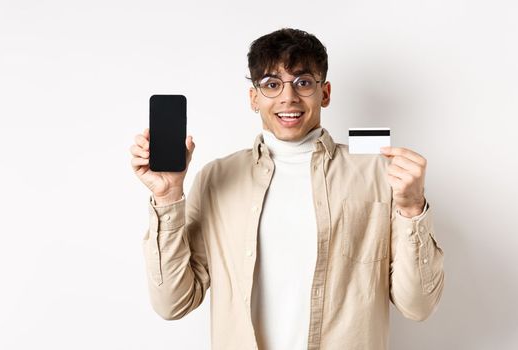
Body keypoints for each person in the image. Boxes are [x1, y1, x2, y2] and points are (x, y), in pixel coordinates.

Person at [129, 28, 444, 350]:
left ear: (325, 93)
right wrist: (167, 197)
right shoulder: (217, 177)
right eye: (271, 84)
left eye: (303, 82)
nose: (288, 97)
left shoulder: (379, 173)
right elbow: (173, 303)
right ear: (254, 98)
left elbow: (418, 306)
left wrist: (412, 208)